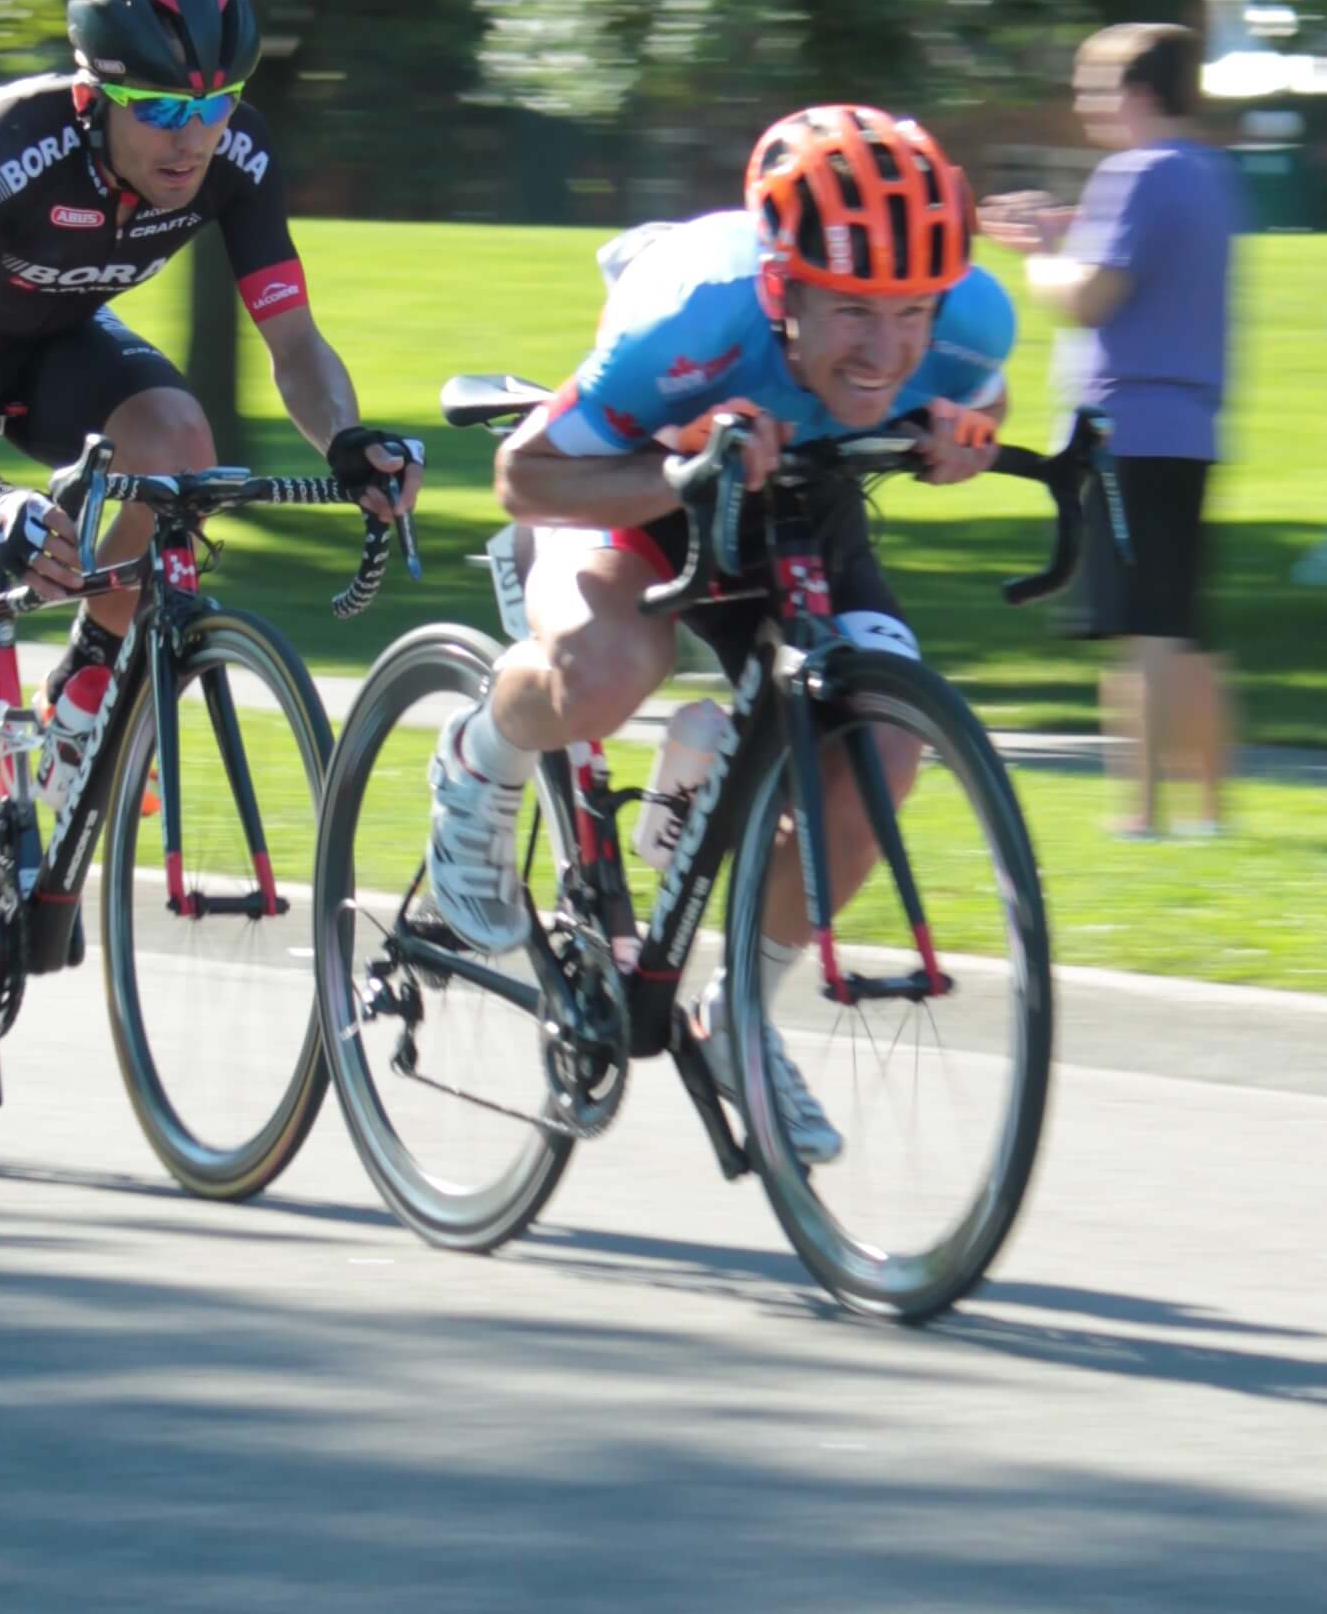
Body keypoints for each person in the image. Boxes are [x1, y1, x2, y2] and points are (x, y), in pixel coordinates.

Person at [0, 0, 423, 1089]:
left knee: (178, 440)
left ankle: (85, 688)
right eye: (159, 108)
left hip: (49, 333)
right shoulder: (5, 156)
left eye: (214, 102)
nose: (191, 135)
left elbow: (292, 343)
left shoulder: (233, 154)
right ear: (96, 95)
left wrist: (345, 439)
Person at [426, 106, 1012, 1164]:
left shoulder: (971, 316)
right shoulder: (692, 314)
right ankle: (482, 756)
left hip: (798, 500)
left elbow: (976, 383)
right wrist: (680, 471)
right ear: (783, 289)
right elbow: (524, 473)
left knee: (883, 741)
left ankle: (740, 1011)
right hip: (633, 482)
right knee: (608, 671)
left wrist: (967, 433)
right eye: (850, 313)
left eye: (911, 312)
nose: (886, 350)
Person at [985, 24, 1237, 841]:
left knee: (1142, 630)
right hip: (1190, 427)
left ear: (1134, 94)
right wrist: (1065, 232)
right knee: (1184, 626)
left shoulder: (1134, 172)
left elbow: (1091, 296)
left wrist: (1034, 260)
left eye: (1092, 87)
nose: (1083, 102)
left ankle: (1142, 815)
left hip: (1124, 425)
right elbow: (1140, 262)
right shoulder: (1208, 173)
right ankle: (1209, 812)